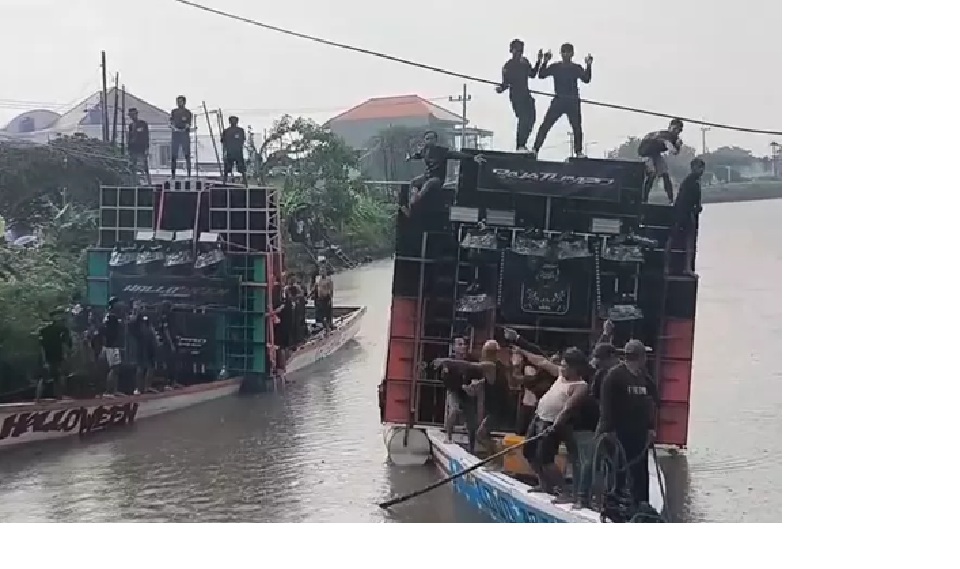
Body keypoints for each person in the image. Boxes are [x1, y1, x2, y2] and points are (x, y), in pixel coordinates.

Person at [518, 347, 591, 496]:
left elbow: (568, 408)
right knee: (528, 452)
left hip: (553, 423)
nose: (561, 368)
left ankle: (564, 491)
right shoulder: (560, 375)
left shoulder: (580, 386)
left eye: (565, 366)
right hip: (539, 417)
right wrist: (523, 351)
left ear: (574, 368)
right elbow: (542, 361)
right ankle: (544, 484)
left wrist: (557, 424)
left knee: (545, 460)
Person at [597, 339, 659, 507]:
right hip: (618, 432)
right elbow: (606, 405)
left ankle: (641, 502)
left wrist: (651, 427)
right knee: (617, 469)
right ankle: (613, 502)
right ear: (640, 357)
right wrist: (608, 430)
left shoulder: (643, 376)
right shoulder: (614, 375)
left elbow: (653, 401)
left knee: (640, 469)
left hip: (638, 432)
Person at [433, 340, 509, 457]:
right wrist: (476, 384)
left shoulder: (490, 365)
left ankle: (497, 456)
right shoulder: (497, 365)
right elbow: (489, 380)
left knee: (480, 434)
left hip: (498, 408)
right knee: (458, 413)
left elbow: (470, 366)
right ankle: (495, 454)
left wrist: (445, 361)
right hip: (459, 392)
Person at [531, 43, 593, 158]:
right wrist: (545, 61)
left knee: (577, 127)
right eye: (564, 52)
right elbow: (541, 75)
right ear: (561, 53)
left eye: (568, 52)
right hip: (559, 99)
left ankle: (578, 152)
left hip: (572, 100)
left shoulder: (576, 68)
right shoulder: (556, 67)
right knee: (546, 125)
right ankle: (535, 149)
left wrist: (589, 65)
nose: (566, 55)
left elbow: (586, 79)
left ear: (572, 54)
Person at [403, 130, 485, 215]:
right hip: (427, 175)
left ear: (435, 140)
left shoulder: (441, 151)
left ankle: (417, 198)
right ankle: (409, 206)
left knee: (429, 183)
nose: (429, 141)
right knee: (413, 182)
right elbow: (418, 155)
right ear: (424, 140)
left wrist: (472, 157)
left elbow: (456, 154)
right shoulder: (425, 151)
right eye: (427, 139)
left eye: (431, 139)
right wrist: (410, 157)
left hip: (438, 178)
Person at [496, 39, 544, 152]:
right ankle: (520, 145)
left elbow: (532, 74)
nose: (518, 53)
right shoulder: (508, 66)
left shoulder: (524, 62)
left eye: (520, 51)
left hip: (526, 95)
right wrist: (500, 89)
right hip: (516, 96)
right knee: (523, 119)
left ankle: (522, 144)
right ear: (511, 51)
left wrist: (539, 61)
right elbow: (505, 83)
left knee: (531, 119)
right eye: (516, 50)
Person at [439, 337, 480, 452]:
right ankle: (448, 436)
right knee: (453, 410)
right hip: (454, 390)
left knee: (472, 419)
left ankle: (472, 446)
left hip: (469, 391)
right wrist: (461, 386)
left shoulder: (472, 359)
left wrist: (474, 383)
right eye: (460, 344)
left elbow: (479, 374)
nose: (463, 346)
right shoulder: (449, 362)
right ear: (454, 347)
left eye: (464, 344)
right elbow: (446, 380)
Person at [637, 118, 684, 204]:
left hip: (655, 152)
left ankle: (671, 199)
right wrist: (676, 146)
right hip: (646, 152)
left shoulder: (674, 138)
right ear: (670, 127)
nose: (676, 132)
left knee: (665, 173)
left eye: (678, 130)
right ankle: (644, 199)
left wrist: (678, 145)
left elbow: (675, 152)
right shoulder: (666, 136)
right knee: (652, 173)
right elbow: (672, 150)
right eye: (675, 129)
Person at [672, 157, 705, 275]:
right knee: (688, 243)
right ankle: (687, 268)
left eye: (702, 168)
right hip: (687, 215)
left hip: (686, 214)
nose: (701, 171)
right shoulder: (691, 182)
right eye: (699, 168)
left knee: (683, 242)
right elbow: (686, 201)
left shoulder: (690, 181)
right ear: (693, 168)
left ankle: (684, 268)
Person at [38, 309, 72, 399]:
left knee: (51, 376)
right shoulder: (62, 330)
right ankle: (59, 395)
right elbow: (66, 344)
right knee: (58, 376)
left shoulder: (45, 330)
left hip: (50, 356)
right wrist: (66, 355)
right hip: (55, 356)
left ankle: (42, 397)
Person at [128, 306, 158, 395]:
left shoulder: (144, 321)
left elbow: (151, 328)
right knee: (143, 366)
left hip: (147, 343)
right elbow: (131, 325)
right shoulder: (136, 322)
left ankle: (145, 387)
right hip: (142, 344)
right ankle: (141, 388)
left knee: (148, 366)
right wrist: (136, 313)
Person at [99, 297, 124, 396]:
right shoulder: (110, 316)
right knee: (113, 368)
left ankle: (114, 390)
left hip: (113, 345)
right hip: (111, 345)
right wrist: (106, 344)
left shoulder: (113, 316)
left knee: (116, 368)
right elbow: (105, 330)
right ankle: (108, 391)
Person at [169, 95, 193, 179]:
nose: (179, 103)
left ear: (184, 102)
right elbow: (171, 123)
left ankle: (189, 174)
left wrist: (184, 129)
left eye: (181, 101)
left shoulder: (188, 113)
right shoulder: (174, 112)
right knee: (173, 155)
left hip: (184, 135)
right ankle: (173, 175)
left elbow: (188, 124)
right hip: (175, 135)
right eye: (178, 101)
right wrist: (174, 128)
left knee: (187, 155)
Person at [126, 108, 151, 184]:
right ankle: (133, 182)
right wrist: (129, 149)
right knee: (133, 166)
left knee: (144, 165)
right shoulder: (130, 126)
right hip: (133, 148)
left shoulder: (143, 124)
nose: (133, 116)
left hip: (141, 148)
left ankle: (148, 181)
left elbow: (146, 137)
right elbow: (129, 138)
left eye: (134, 114)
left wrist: (147, 148)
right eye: (131, 115)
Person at [221, 115, 247, 185]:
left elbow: (223, 142)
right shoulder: (228, 131)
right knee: (229, 169)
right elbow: (223, 142)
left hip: (233, 152)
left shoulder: (228, 131)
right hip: (235, 152)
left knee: (231, 169)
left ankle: (225, 181)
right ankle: (225, 181)